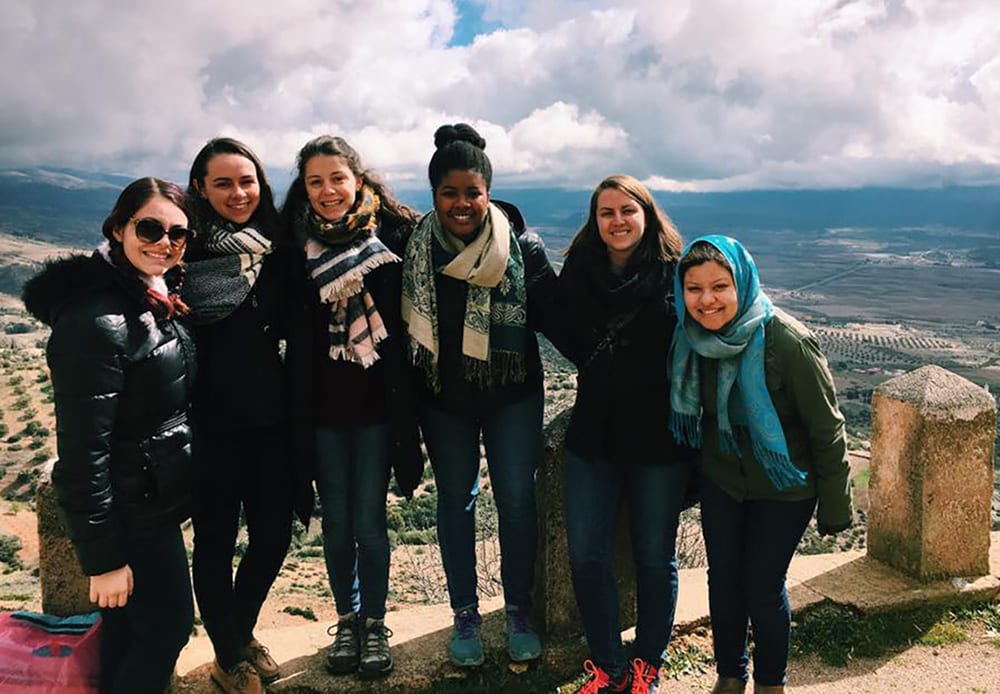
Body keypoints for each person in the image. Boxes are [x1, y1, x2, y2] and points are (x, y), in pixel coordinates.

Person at [22, 178, 196, 693]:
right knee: (167, 629)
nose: (164, 241)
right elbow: (81, 454)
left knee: (129, 635)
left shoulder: (148, 296)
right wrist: (103, 561)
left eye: (178, 234)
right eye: (149, 227)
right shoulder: (97, 321)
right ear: (118, 228)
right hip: (132, 515)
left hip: (148, 501)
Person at [400, 123, 559, 667]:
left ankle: (517, 610)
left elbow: (564, 320)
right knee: (455, 502)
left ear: (488, 193)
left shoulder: (522, 248)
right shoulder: (414, 248)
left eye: (473, 192)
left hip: (513, 396)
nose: (462, 203)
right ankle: (464, 614)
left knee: (515, 499)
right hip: (444, 403)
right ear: (434, 195)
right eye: (450, 193)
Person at [670, 235, 853, 694]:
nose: (707, 300)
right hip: (722, 480)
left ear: (742, 284)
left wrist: (836, 506)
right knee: (724, 581)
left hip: (785, 486)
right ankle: (730, 675)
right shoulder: (689, 340)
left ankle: (772, 684)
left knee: (762, 586)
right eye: (694, 289)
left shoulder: (787, 342)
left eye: (719, 286)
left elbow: (826, 428)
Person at [280, 135, 424, 680]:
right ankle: (345, 619)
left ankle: (374, 623)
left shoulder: (390, 239)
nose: (327, 191)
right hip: (320, 410)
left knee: (369, 521)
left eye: (337, 179)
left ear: (358, 181)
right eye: (315, 181)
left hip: (377, 408)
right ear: (304, 188)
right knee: (336, 522)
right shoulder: (293, 250)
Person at [555, 175, 695, 694]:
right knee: (587, 554)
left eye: (626, 210)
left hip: (660, 442)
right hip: (594, 436)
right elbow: (560, 326)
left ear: (648, 215)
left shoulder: (675, 275)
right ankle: (608, 664)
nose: (617, 221)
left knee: (655, 557)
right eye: (606, 212)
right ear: (595, 221)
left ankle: (647, 665)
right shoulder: (579, 273)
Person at [182, 137, 312, 694]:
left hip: (272, 419)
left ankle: (238, 632)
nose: (238, 193)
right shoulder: (182, 254)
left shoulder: (280, 249)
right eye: (223, 183)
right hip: (208, 424)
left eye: (247, 181)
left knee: (273, 535)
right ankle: (230, 655)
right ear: (200, 189)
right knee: (213, 542)